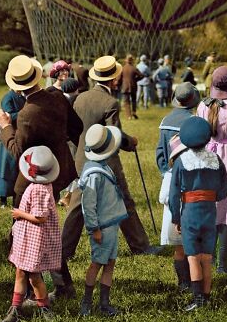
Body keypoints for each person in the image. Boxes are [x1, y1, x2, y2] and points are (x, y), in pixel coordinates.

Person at [61, 56, 159, 296]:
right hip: (105, 162)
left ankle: (64, 250)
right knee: (124, 201)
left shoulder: (80, 97)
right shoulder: (111, 102)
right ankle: (140, 245)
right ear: (114, 78)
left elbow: (73, 130)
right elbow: (113, 135)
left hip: (81, 159)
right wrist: (130, 142)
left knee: (77, 206)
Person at [0, 55, 81, 297]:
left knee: (26, 233)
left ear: (16, 85)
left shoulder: (25, 115)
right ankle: (60, 285)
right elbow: (77, 128)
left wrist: (5, 127)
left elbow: (18, 152)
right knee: (49, 230)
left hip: (32, 181)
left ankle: (30, 287)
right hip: (60, 171)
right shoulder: (56, 97)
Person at [169, 115, 227, 311]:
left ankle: (198, 299)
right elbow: (224, 189)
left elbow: (173, 194)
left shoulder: (181, 162)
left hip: (189, 213)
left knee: (193, 257)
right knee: (206, 257)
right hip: (209, 212)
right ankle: (207, 296)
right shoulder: (216, 159)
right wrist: (212, 196)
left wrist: (176, 217)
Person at [0, 146, 61, 322]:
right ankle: (15, 308)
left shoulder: (39, 189)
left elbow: (40, 217)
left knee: (34, 276)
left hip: (34, 238)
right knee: (20, 272)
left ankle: (44, 308)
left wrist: (20, 214)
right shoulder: (39, 185)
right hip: (26, 237)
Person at [197, 66, 227, 274]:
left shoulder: (202, 105)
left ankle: (207, 258)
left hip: (207, 156)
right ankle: (222, 264)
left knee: (212, 207)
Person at [78, 124, 130, 317]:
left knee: (110, 263)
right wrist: (94, 228)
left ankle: (104, 302)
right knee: (96, 263)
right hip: (103, 227)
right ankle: (86, 302)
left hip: (112, 224)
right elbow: (88, 205)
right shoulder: (94, 174)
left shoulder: (99, 166)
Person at [155, 82, 201, 291]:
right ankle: (194, 280)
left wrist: (167, 172)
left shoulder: (165, 121)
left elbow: (160, 153)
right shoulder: (195, 122)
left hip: (171, 178)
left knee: (177, 238)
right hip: (191, 180)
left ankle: (183, 282)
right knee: (193, 238)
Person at [119, 54, 142, 120]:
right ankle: (134, 112)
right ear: (132, 61)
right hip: (133, 86)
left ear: (126, 60)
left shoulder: (122, 68)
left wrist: (119, 84)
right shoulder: (134, 68)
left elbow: (119, 79)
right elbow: (141, 75)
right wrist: (135, 80)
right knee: (134, 100)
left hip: (125, 87)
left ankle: (129, 116)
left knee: (126, 102)